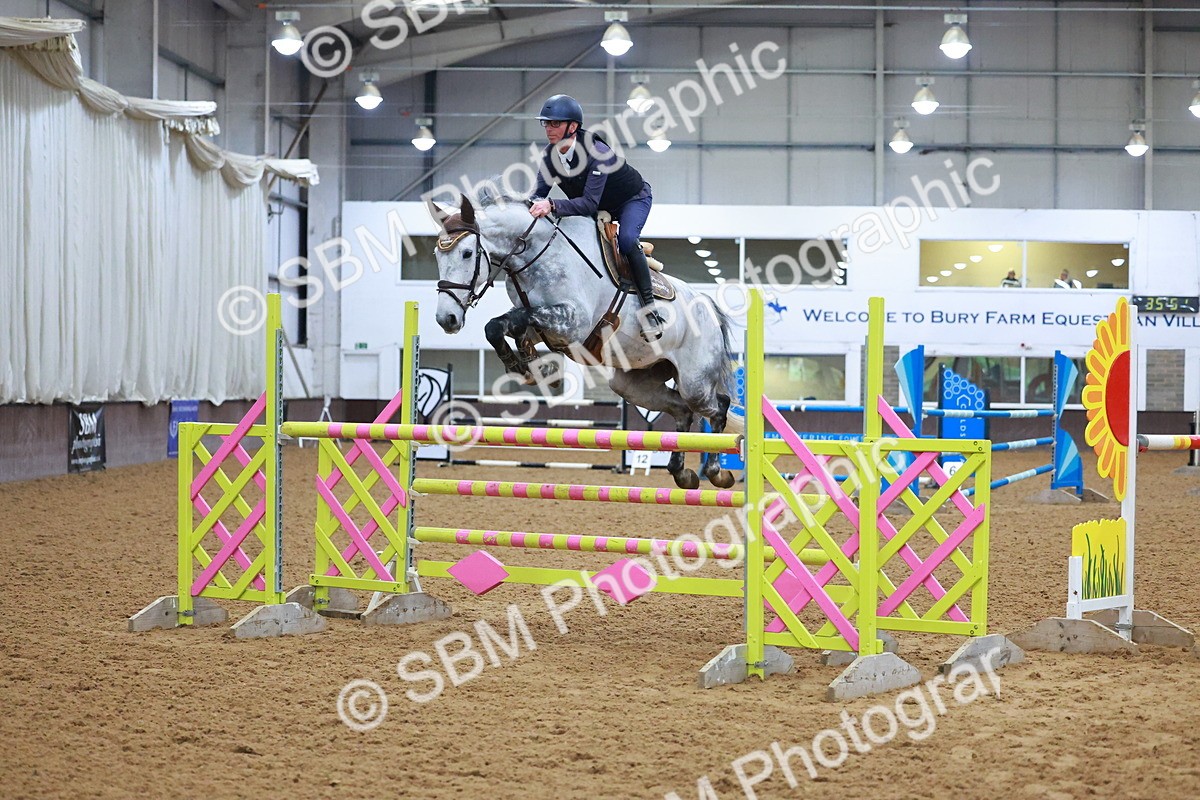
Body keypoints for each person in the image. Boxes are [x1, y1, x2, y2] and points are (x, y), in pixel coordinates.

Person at [528, 94, 663, 340]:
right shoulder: (550, 155)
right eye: (546, 123)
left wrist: (551, 204)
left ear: (573, 126)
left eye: (554, 123)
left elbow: (588, 203)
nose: (548, 129)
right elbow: (538, 196)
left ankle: (650, 309)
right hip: (597, 205)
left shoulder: (597, 152)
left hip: (631, 200)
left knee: (626, 239)